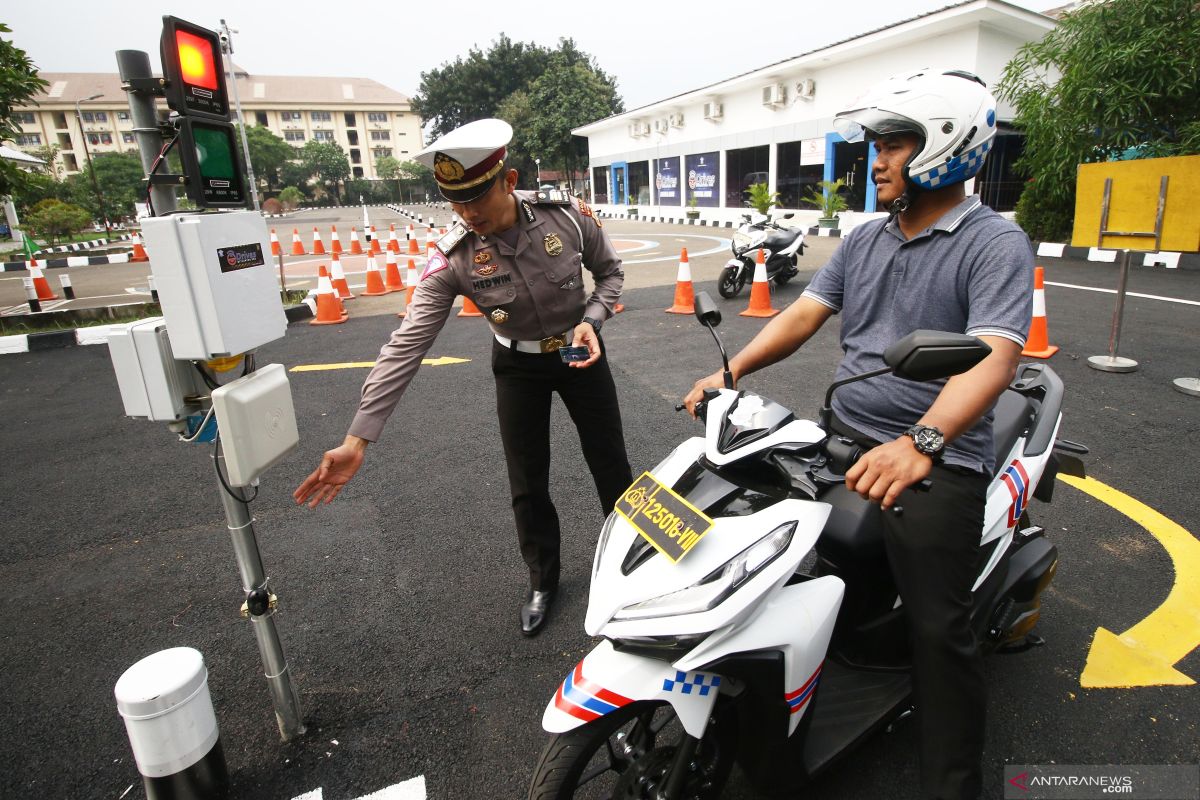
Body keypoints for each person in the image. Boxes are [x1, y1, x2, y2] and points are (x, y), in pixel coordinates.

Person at [683, 69, 1033, 800]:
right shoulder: (867, 237)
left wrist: (924, 442)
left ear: (946, 145)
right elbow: (805, 314)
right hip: (842, 430)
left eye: (894, 144)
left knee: (941, 635)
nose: (876, 161)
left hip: (938, 456)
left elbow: (997, 356)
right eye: (876, 145)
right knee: (741, 540)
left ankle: (955, 785)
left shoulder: (992, 243)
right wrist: (734, 371)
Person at [295, 118, 633, 637]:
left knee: (610, 463)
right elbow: (407, 343)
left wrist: (592, 320)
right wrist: (357, 439)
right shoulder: (453, 257)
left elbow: (609, 274)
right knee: (527, 481)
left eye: (477, 197)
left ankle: (633, 566)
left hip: (578, 351)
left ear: (509, 179)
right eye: (456, 202)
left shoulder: (565, 219)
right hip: (517, 367)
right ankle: (544, 581)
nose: (468, 213)